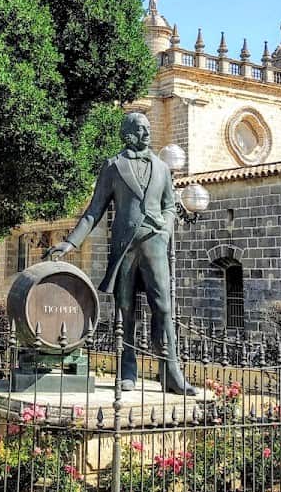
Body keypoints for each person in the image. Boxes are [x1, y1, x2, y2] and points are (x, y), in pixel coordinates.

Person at [48, 111, 194, 395]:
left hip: (155, 245)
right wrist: (70, 243)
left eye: (148, 128)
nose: (146, 134)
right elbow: (94, 211)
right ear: (127, 133)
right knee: (125, 311)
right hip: (124, 247)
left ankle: (171, 371)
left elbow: (169, 206)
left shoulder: (162, 168)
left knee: (164, 308)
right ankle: (128, 370)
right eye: (140, 129)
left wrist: (165, 230)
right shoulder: (113, 166)